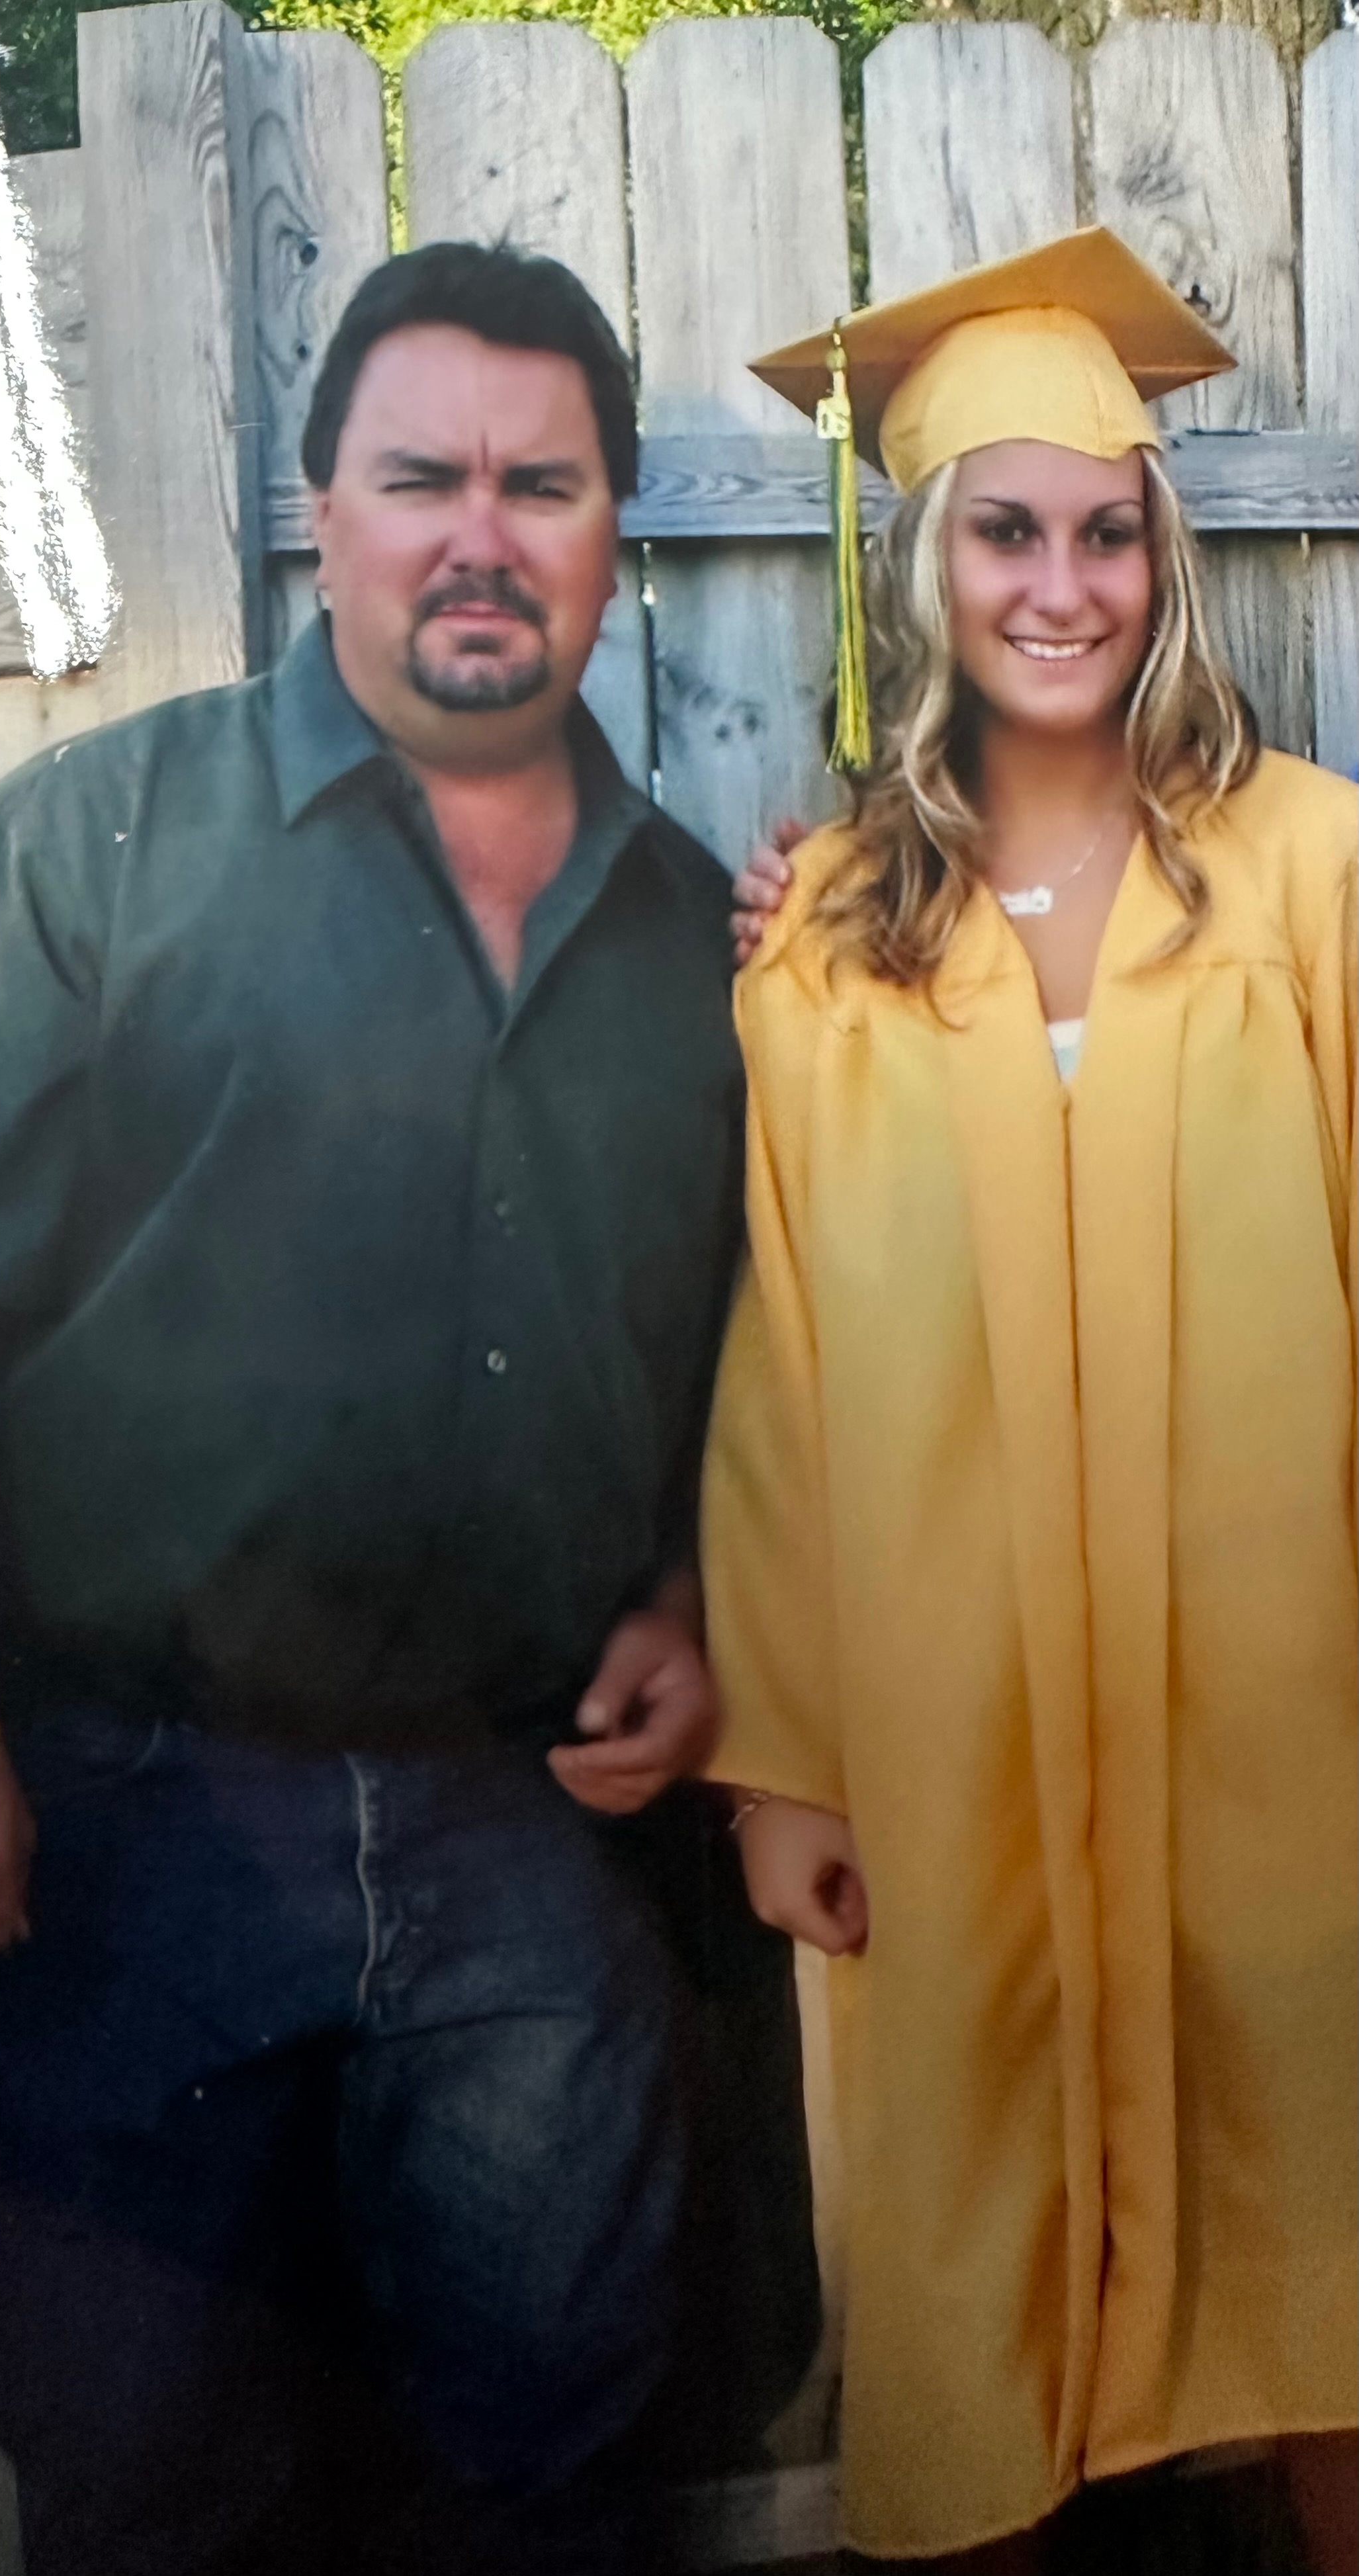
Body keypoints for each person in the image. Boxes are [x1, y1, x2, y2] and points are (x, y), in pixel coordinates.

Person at [0, 241, 816, 2576]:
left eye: (542, 485)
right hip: (133, 1823)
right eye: (422, 477)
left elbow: (732, 1358)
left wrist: (684, 1597)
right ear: (322, 512)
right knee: (148, 2486)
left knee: (556, 2476)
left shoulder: (701, 940)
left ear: (615, 528)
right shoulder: (87, 852)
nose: (482, 535)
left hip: (529, 1837)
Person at [705, 226, 1357, 2573]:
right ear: (925, 564)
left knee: (1332, 2214)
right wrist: (786, 1759)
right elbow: (780, 1367)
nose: (1062, 588)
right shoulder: (831, 935)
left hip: (1279, 1710)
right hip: (952, 1722)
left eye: (1108, 532)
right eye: (1007, 530)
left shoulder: (1314, 870)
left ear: (1163, 559)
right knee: (958, 2228)